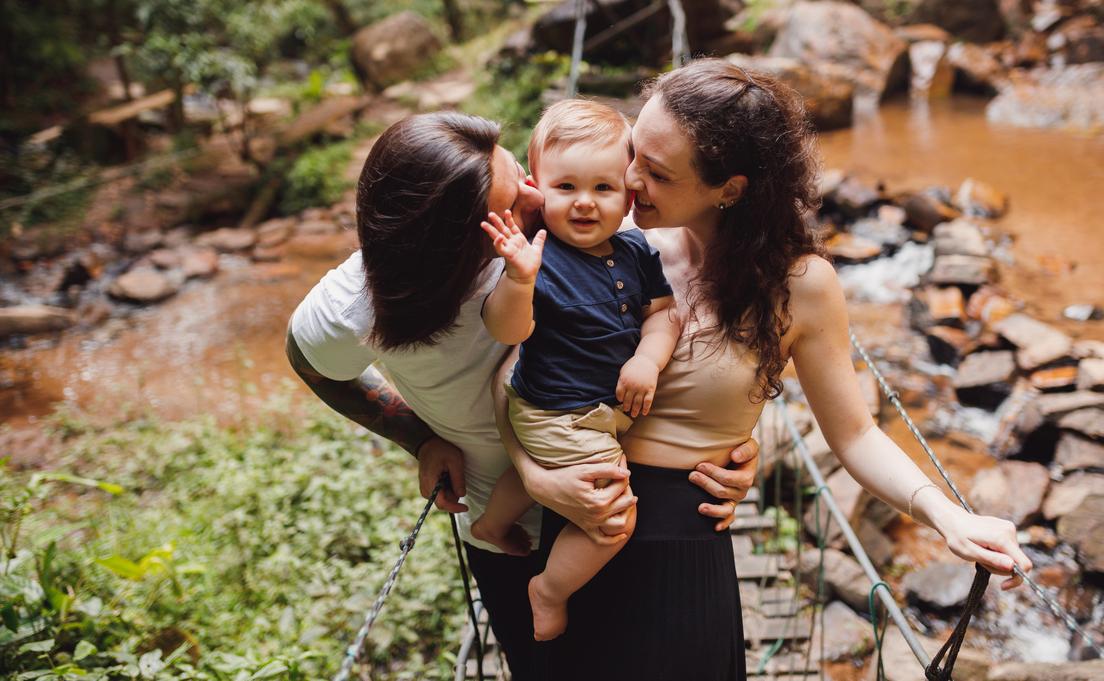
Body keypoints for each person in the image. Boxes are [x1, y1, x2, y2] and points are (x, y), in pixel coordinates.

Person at [497, 60, 1034, 681]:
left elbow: (855, 433)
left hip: (681, 551)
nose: (631, 179)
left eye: (658, 172)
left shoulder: (799, 287)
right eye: (633, 153)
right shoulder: (601, 241)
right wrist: (533, 474)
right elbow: (513, 372)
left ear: (730, 188)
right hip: (572, 522)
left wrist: (949, 517)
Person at [284, 110, 759, 680]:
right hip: (508, 536)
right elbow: (309, 363)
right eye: (517, 198)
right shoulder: (356, 306)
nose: (540, 198)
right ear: (460, 243)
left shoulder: (598, 234)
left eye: (523, 174)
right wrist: (416, 435)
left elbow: (667, 339)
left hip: (616, 504)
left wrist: (731, 445)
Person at [470, 99, 681, 641]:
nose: (585, 204)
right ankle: (549, 590)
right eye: (565, 188)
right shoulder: (535, 255)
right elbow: (505, 331)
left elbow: (663, 316)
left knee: (535, 470)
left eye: (603, 189)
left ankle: (494, 522)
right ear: (538, 188)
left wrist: (646, 359)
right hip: (556, 411)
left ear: (630, 195)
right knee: (613, 519)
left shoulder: (636, 250)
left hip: (592, 413)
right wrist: (519, 280)